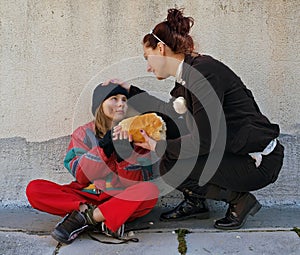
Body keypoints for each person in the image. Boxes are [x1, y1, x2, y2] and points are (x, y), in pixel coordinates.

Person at [109, 8, 284, 230]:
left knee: (171, 162)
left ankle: (240, 200)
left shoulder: (203, 75)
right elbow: (169, 114)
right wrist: (130, 90)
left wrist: (158, 145)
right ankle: (197, 202)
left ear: (160, 49)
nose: (147, 67)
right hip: (232, 150)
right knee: (171, 141)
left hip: (256, 161)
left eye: (148, 58)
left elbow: (205, 141)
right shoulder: (189, 73)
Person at [26, 83, 159, 244]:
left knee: (150, 191)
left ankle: (85, 219)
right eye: (114, 98)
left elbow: (136, 182)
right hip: (85, 196)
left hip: (119, 197)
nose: (121, 104)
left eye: (124, 100)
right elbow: (81, 176)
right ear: (99, 104)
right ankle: (98, 217)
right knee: (35, 189)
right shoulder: (83, 133)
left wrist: (124, 155)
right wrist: (104, 149)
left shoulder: (137, 134)